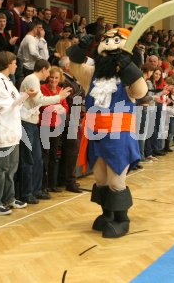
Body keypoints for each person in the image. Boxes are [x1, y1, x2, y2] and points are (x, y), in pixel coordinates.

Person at [68, 28, 148, 238]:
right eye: (105, 41)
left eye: (115, 42)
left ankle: (122, 219)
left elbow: (141, 91)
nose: (108, 45)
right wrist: (81, 47)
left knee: (115, 181)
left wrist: (128, 65)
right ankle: (108, 215)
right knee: (101, 179)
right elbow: (73, 66)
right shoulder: (92, 76)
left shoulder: (128, 80)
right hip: (95, 133)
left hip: (119, 134)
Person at [0, 51, 36, 215]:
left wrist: (25, 97)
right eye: (14, 63)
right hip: (2, 130)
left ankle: (9, 198)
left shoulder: (8, 80)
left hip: (13, 130)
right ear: (8, 63)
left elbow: (16, 103)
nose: (16, 66)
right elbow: (1, 105)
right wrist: (24, 97)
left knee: (11, 168)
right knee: (1, 169)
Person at [18, 59, 71, 204]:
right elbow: (38, 100)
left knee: (37, 159)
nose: (48, 75)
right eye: (48, 71)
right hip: (26, 122)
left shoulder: (33, 80)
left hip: (32, 123)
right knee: (29, 160)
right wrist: (58, 98)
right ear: (43, 69)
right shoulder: (32, 80)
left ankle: (35, 190)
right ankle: (26, 193)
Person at [57, 56, 85, 192]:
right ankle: (70, 181)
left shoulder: (73, 80)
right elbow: (72, 99)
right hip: (68, 118)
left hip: (74, 116)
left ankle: (67, 179)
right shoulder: (64, 80)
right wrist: (80, 91)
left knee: (72, 151)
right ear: (67, 67)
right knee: (71, 151)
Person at [39, 66, 69, 194]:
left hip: (56, 126)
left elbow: (65, 106)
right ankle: (43, 185)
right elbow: (42, 104)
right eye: (51, 77)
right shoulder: (42, 88)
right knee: (44, 156)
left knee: (53, 156)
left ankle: (52, 184)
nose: (53, 80)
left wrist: (61, 108)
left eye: (56, 78)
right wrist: (55, 105)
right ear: (48, 77)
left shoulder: (60, 90)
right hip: (44, 126)